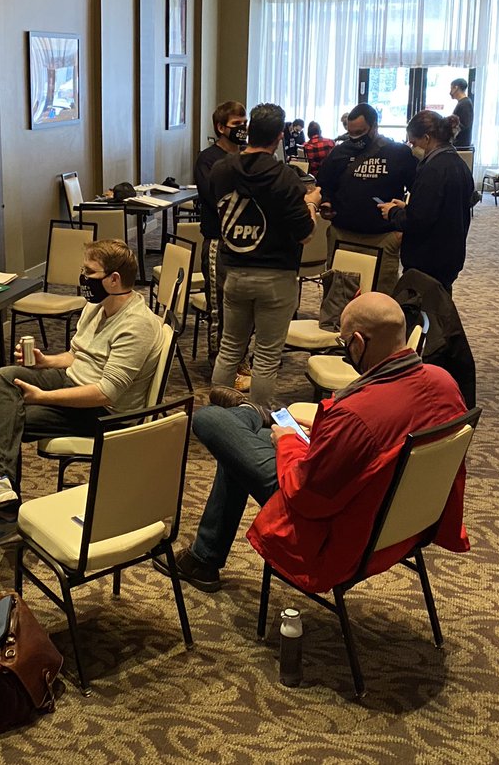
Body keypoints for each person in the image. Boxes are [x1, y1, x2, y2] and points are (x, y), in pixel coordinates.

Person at [154, 292, 469, 593]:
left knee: (211, 420)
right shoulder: (443, 382)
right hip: (402, 524)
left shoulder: (357, 415)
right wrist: (324, 431)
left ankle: (249, 414)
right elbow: (385, 439)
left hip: (335, 532)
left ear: (358, 342)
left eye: (344, 342)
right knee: (239, 446)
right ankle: (203, 559)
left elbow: (305, 494)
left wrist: (291, 441)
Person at [0, 239, 163, 551]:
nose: (83, 278)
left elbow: (105, 393)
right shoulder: (96, 307)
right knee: (6, 378)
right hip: (74, 383)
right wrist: (47, 362)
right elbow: (77, 355)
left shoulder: (136, 325)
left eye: (90, 272)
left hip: (106, 415)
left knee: (9, 420)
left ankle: (3, 514)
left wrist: (42, 397)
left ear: (114, 280)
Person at [209, 103, 319, 408]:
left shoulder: (221, 170)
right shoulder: (285, 178)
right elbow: (306, 233)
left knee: (230, 348)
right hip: (276, 277)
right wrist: (311, 203)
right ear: (280, 137)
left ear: (249, 130)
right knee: (267, 356)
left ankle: (217, 415)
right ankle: (256, 419)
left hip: (235, 271)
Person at [316, 103, 416, 293]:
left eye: (360, 132)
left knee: (379, 302)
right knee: (338, 297)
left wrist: (403, 220)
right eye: (351, 132)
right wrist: (327, 202)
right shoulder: (339, 152)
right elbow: (324, 185)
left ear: (374, 127)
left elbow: (419, 190)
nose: (355, 137)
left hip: (382, 237)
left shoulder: (397, 153)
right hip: (342, 234)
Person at [378, 110, 477, 292]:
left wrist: (393, 212)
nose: (412, 146)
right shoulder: (458, 164)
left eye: (413, 142)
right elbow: (440, 208)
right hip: (450, 253)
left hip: (428, 258)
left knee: (425, 312)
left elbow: (418, 221)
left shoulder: (433, 169)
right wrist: (408, 207)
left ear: (426, 138)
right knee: (440, 306)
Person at [194, 101, 247, 364]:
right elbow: (214, 196)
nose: (243, 129)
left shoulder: (248, 154)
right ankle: (219, 361)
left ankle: (240, 358)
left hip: (245, 241)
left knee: (242, 305)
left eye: (245, 123)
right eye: (237, 125)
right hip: (218, 240)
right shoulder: (208, 159)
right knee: (219, 306)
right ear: (221, 127)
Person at [449, 78, 473, 149]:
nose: (450, 92)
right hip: (459, 143)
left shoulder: (465, 104)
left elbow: (463, 125)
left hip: (460, 144)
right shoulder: (463, 103)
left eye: (451, 89)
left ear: (456, 88)